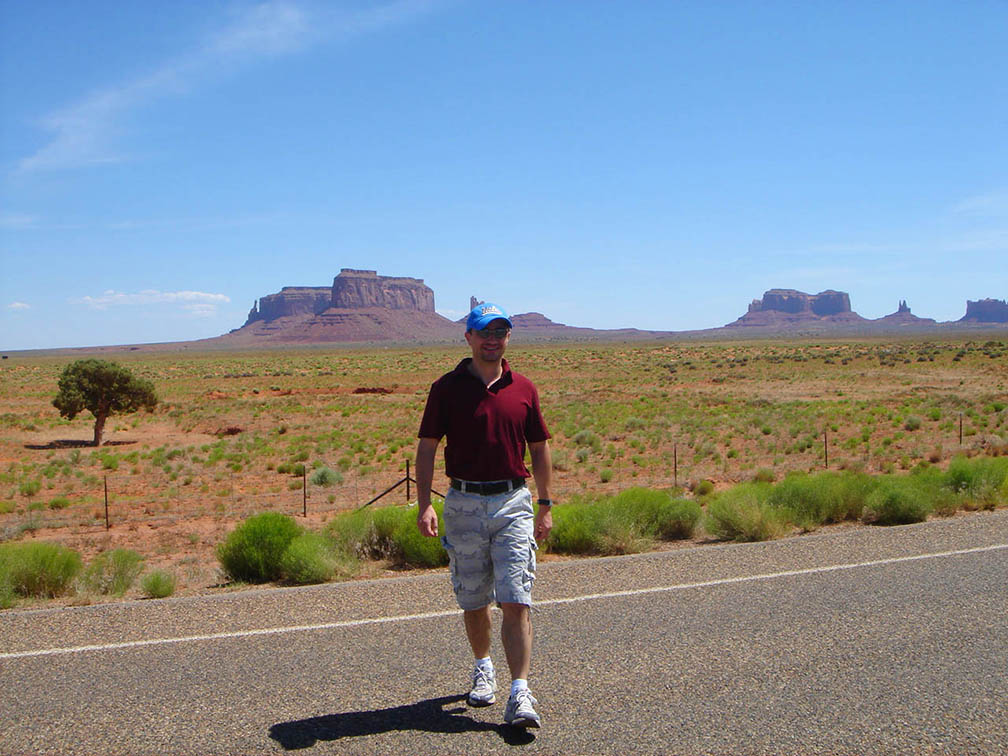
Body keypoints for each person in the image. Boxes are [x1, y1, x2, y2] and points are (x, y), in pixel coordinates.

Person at [415, 301, 554, 729]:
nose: (492, 339)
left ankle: (520, 692)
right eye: (484, 332)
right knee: (473, 600)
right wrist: (424, 503)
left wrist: (545, 503)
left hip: (513, 501)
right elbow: (426, 447)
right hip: (463, 503)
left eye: (501, 332)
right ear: (469, 337)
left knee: (516, 598)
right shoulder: (446, 388)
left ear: (508, 337)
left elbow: (539, 447)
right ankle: (483, 665)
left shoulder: (524, 388)